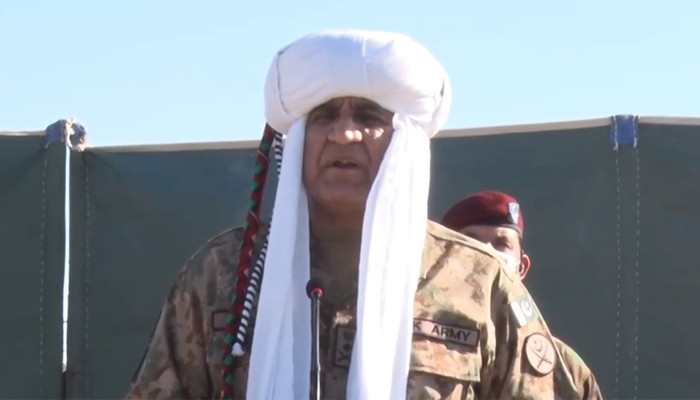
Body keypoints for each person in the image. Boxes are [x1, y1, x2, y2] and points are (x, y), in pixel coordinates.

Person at [126, 30, 584, 400]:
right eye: (324, 116)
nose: (344, 134)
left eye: (368, 116)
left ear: (404, 140)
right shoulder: (222, 275)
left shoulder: (477, 281)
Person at [440, 190, 603, 399]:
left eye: (501, 244)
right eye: (471, 241)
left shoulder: (564, 370)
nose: (487, 254)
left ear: (522, 267)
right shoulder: (409, 344)